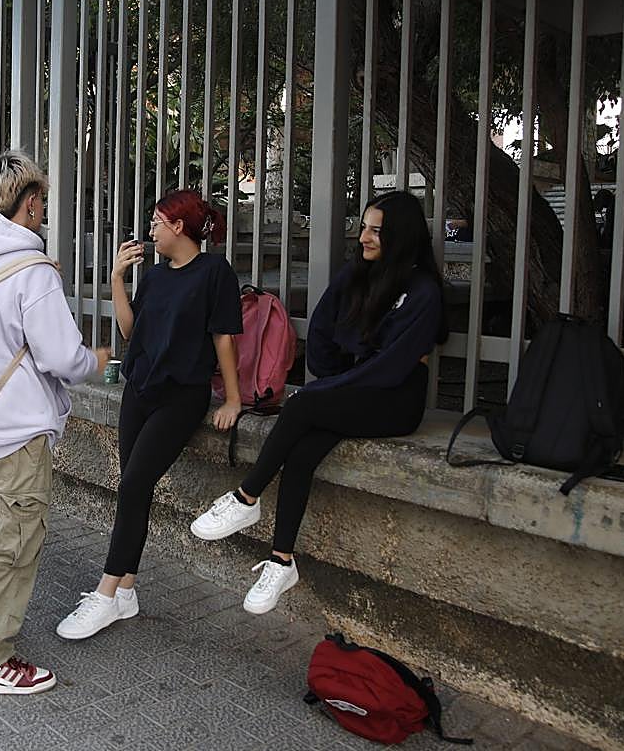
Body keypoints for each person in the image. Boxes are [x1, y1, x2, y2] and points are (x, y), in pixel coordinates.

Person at [190, 191, 447, 614]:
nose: (364, 237)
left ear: (401, 236)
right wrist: (332, 377)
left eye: (376, 231)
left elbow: (392, 366)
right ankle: (281, 561)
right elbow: (326, 326)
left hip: (396, 397)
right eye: (363, 227)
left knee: (302, 406)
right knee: (303, 451)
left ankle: (247, 497)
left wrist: (331, 388)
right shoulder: (361, 273)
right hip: (358, 385)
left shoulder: (423, 291)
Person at [0, 150, 109, 695]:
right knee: (9, 548)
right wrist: (96, 361)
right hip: (14, 435)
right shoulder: (32, 272)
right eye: (42, 202)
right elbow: (61, 357)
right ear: (30, 203)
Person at [55, 189, 243, 641]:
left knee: (134, 485)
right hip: (140, 390)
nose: (151, 230)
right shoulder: (155, 276)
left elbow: (224, 338)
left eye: (158, 222)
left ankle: (105, 594)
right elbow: (131, 330)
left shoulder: (215, 272)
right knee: (133, 489)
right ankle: (126, 591)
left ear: (178, 226)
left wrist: (233, 400)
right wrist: (117, 278)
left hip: (181, 396)